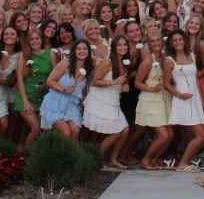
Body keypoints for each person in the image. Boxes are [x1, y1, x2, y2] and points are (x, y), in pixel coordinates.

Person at [83, 36, 131, 168]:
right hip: (102, 100)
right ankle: (96, 158)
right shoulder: (108, 62)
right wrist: (113, 82)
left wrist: (124, 86)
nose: (122, 47)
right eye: (119, 45)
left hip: (114, 101)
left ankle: (114, 159)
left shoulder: (124, 63)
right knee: (116, 132)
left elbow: (120, 82)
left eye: (124, 45)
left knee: (125, 130)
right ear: (114, 47)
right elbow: (95, 81)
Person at [164, 30, 204, 171]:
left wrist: (201, 101)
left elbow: (195, 78)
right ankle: (183, 163)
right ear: (171, 43)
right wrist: (178, 94)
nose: (178, 42)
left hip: (194, 100)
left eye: (180, 39)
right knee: (201, 135)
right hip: (182, 101)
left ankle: (188, 161)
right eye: (174, 40)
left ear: (184, 40)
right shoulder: (169, 60)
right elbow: (166, 84)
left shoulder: (193, 56)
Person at [129, 29, 173, 169]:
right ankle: (146, 160)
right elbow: (137, 82)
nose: (156, 43)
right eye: (152, 41)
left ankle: (155, 158)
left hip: (164, 98)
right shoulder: (148, 60)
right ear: (148, 44)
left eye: (158, 40)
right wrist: (151, 88)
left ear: (162, 41)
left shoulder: (166, 58)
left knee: (170, 134)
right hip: (150, 100)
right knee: (164, 135)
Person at [41, 40, 92, 139]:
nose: (82, 51)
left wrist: (83, 106)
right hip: (56, 102)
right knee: (66, 133)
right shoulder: (65, 63)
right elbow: (50, 81)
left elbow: (84, 91)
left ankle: (69, 154)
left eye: (85, 49)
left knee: (75, 131)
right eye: (79, 49)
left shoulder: (89, 68)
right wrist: (64, 89)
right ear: (74, 51)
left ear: (89, 51)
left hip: (72, 105)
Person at [13, 26, 51, 146]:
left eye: (37, 38)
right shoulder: (23, 55)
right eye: (31, 39)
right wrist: (25, 102)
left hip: (43, 98)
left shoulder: (50, 54)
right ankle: (24, 155)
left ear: (41, 39)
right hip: (26, 97)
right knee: (36, 129)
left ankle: (36, 155)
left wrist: (45, 85)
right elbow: (19, 79)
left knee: (43, 130)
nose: (35, 41)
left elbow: (54, 77)